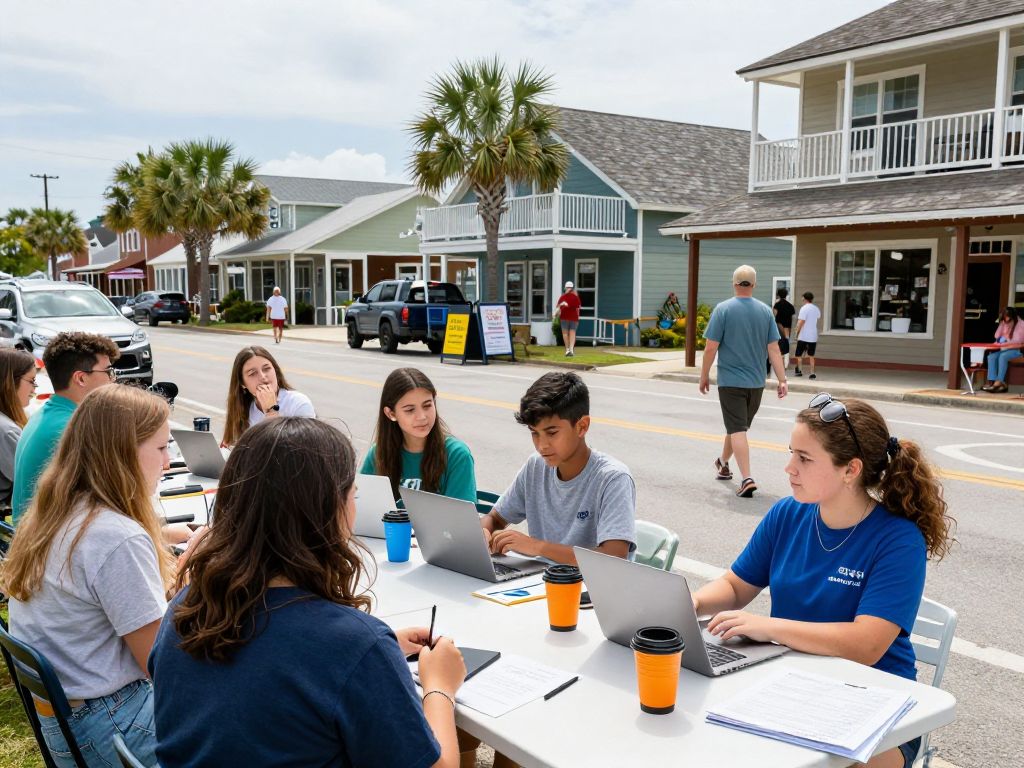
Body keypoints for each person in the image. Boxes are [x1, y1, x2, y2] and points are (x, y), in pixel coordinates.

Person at [150, 417, 467, 768]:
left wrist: (377, 649)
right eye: (353, 495)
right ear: (328, 510)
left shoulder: (187, 603)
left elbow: (269, 660)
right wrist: (440, 686)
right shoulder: (355, 646)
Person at [692, 395, 954, 768]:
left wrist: (769, 628)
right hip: (792, 687)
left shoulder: (898, 540)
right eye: (791, 453)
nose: (788, 468)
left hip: (876, 707)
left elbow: (865, 645)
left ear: (850, 470)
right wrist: (696, 603)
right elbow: (736, 586)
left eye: (804, 458)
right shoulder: (787, 513)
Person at [0, 386, 174, 768]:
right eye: (161, 448)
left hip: (68, 724)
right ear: (123, 453)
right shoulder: (116, 536)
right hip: (112, 725)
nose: (168, 462)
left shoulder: (59, 512)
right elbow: (161, 665)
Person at [480, 371, 635, 565]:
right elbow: (495, 518)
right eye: (534, 433)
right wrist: (484, 532)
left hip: (590, 591)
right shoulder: (536, 466)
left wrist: (537, 547)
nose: (541, 445)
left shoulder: (612, 478)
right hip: (540, 582)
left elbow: (614, 556)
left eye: (551, 433)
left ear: (582, 426)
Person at [12, 331, 120, 525]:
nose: (113, 380)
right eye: (108, 372)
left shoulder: (47, 414)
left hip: (35, 541)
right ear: (80, 378)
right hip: (49, 547)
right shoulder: (73, 429)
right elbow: (113, 499)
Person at [700, 265, 788, 498]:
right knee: (737, 426)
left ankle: (747, 478)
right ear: (754, 285)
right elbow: (774, 349)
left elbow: (710, 348)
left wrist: (704, 375)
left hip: (730, 381)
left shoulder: (723, 309)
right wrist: (782, 379)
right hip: (756, 382)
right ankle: (722, 462)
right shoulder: (765, 311)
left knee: (737, 428)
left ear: (734, 283)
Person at [362, 367, 477, 503]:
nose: (422, 417)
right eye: (410, 410)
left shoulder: (456, 455)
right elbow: (360, 506)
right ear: (391, 414)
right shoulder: (378, 454)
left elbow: (461, 519)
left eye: (427, 406)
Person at [222, 345, 314, 447]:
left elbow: (304, 451)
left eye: (266, 369)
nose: (262, 376)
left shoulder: (298, 403)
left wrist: (271, 411)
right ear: (242, 384)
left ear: (276, 371)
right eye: (252, 373)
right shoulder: (242, 410)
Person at [0, 349, 36, 511]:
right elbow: (31, 484)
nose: (34, 389)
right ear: (9, 382)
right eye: (31, 381)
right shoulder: (6, 430)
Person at [981, 307, 1024, 393]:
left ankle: (999, 381)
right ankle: (992, 381)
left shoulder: (1021, 325)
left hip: (1016, 350)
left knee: (1003, 357)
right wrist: (1002, 325)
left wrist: (1006, 340)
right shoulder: (1004, 323)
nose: (1006, 321)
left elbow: (1018, 340)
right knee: (991, 357)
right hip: (1004, 349)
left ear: (1014, 317)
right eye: (1004, 319)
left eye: (1008, 319)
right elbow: (996, 336)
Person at [794, 291, 822, 380]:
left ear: (804, 298)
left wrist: (796, 332)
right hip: (813, 335)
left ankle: (799, 370)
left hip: (803, 335)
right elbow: (818, 317)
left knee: (798, 354)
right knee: (811, 355)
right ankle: (812, 373)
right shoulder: (816, 308)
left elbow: (801, 322)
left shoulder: (804, 308)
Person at [555, 280, 582, 357]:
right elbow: (578, 307)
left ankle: (567, 350)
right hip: (574, 318)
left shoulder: (562, 297)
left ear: (565, 288)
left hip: (564, 317)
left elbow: (557, 307)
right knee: (572, 333)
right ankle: (571, 350)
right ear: (572, 288)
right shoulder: (576, 297)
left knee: (565, 334)